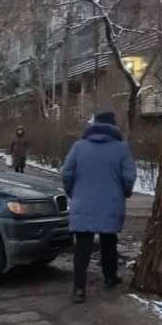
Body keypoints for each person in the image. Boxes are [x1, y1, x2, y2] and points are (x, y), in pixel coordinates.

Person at [61, 111, 136, 303]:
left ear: (93, 125)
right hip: (111, 203)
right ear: (114, 126)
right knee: (109, 241)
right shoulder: (121, 148)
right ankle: (110, 277)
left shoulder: (79, 146)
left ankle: (79, 289)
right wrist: (125, 193)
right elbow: (129, 177)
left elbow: (66, 173)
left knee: (82, 246)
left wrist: (72, 192)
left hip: (83, 202)